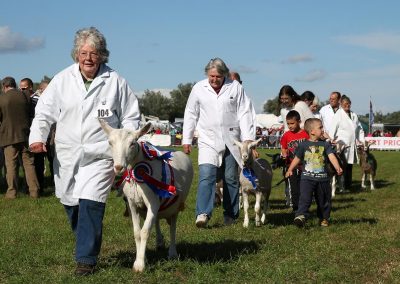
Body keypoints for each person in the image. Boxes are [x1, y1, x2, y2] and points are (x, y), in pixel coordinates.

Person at [29, 27, 141, 276]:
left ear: (103, 55)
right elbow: (44, 112)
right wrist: (37, 137)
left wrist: (127, 141)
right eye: (84, 52)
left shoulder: (116, 82)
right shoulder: (62, 79)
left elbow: (132, 115)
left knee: (91, 202)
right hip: (68, 153)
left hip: (102, 154)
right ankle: (84, 241)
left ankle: (86, 260)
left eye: (94, 53)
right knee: (71, 202)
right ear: (76, 54)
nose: (89, 57)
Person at [182, 57, 256, 227]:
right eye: (211, 76)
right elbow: (191, 113)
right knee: (206, 174)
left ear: (225, 75)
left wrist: (247, 137)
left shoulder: (235, 87)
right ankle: (202, 213)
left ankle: (230, 215)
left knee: (230, 178)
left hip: (233, 139)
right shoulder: (199, 88)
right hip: (208, 139)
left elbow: (245, 112)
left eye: (218, 76)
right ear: (207, 74)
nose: (214, 80)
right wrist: (187, 139)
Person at [286, 118, 343, 227]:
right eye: (320, 127)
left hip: (323, 179)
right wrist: (290, 169)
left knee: (324, 201)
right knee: (304, 198)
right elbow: (297, 158)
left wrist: (337, 167)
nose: (323, 129)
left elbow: (331, 157)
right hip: (306, 179)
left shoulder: (325, 145)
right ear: (312, 131)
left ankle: (324, 218)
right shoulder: (303, 145)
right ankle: (301, 216)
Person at [0, 77, 40, 199]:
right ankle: (34, 191)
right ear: (14, 84)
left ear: (4, 86)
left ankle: (12, 192)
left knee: (11, 165)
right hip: (25, 135)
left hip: (8, 136)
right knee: (29, 164)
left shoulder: (2, 98)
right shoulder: (25, 96)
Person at [328, 95, 364, 191]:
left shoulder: (354, 115)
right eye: (345, 104)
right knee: (342, 166)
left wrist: (362, 140)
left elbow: (359, 129)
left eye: (348, 104)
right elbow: (332, 129)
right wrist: (330, 140)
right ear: (341, 104)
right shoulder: (338, 115)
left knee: (349, 166)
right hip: (341, 145)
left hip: (352, 145)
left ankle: (348, 185)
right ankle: (342, 187)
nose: (347, 105)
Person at [280, 110, 309, 212]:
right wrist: (284, 154)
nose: (290, 126)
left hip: (305, 166)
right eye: (288, 124)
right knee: (294, 188)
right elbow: (283, 147)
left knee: (304, 188)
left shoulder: (306, 134)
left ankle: (304, 207)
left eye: (292, 123)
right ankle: (296, 208)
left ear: (299, 122)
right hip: (291, 166)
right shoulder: (286, 135)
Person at [20, 78, 45, 192]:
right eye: (20, 88)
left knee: (38, 161)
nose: (22, 90)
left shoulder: (37, 100)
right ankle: (27, 185)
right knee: (27, 162)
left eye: (24, 88)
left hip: (37, 133)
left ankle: (40, 184)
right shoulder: (21, 101)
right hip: (26, 134)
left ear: (30, 87)